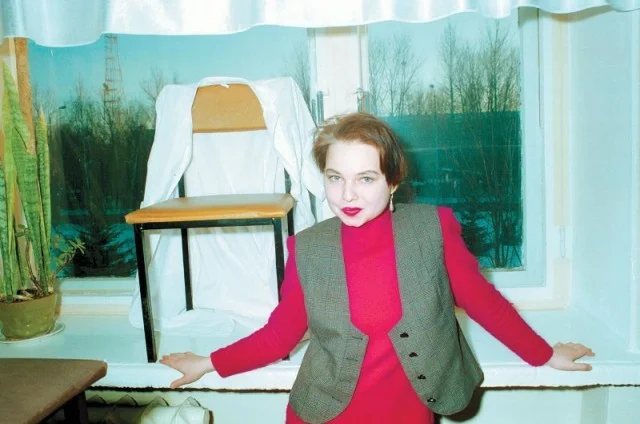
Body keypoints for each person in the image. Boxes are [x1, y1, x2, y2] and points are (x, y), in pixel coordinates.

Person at [160, 112, 594, 424]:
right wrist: (208, 362)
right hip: (323, 414)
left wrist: (545, 354)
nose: (347, 194)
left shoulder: (432, 229)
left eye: (365, 178)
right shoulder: (308, 248)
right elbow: (280, 335)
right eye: (335, 177)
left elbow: (484, 303)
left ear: (393, 181)